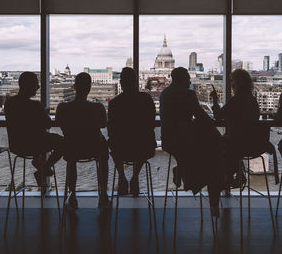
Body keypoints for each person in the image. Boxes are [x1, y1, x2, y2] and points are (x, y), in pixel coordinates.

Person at [160, 67, 224, 216]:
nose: (190, 81)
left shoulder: (164, 94)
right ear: (182, 79)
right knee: (214, 161)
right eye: (188, 78)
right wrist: (215, 104)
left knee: (203, 161)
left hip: (169, 142)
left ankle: (183, 169)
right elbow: (201, 117)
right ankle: (213, 200)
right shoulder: (188, 94)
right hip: (187, 142)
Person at [56, 72, 110, 209]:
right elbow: (104, 124)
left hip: (72, 148)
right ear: (89, 88)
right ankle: (103, 194)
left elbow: (59, 123)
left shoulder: (63, 108)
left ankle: (72, 194)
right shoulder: (98, 108)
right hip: (94, 148)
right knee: (104, 156)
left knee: (71, 161)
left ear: (74, 86)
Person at [4, 71, 63, 188]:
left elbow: (22, 123)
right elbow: (48, 125)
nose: (38, 87)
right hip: (34, 145)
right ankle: (44, 168)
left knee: (39, 136)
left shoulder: (9, 103)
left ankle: (39, 162)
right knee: (62, 142)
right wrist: (42, 112)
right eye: (36, 84)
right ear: (28, 85)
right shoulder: (35, 105)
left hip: (16, 145)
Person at [108, 67, 156, 197]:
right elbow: (151, 123)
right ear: (136, 82)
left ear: (121, 83)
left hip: (121, 149)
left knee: (113, 145)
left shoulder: (114, 104)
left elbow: (111, 131)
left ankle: (122, 178)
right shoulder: (146, 99)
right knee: (143, 142)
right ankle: (135, 177)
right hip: (144, 148)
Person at [210, 69, 260, 187]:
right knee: (230, 145)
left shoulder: (236, 100)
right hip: (254, 143)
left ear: (238, 83)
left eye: (233, 81)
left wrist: (215, 101)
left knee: (215, 144)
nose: (231, 84)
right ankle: (235, 173)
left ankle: (224, 178)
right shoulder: (253, 100)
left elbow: (218, 116)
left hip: (236, 143)